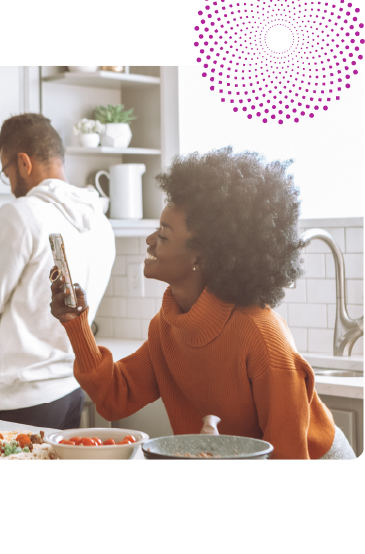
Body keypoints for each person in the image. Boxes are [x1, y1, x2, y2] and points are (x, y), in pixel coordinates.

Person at [50, 148, 355, 460]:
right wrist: (76, 324)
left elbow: (288, 463)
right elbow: (115, 396)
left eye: (164, 236)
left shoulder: (262, 337)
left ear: (202, 257)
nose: (149, 240)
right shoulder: (167, 326)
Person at [0, 113, 115, 429]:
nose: (11, 184)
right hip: (70, 393)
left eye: (7, 171)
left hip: (18, 399)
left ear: (24, 162)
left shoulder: (21, 214)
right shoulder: (99, 222)